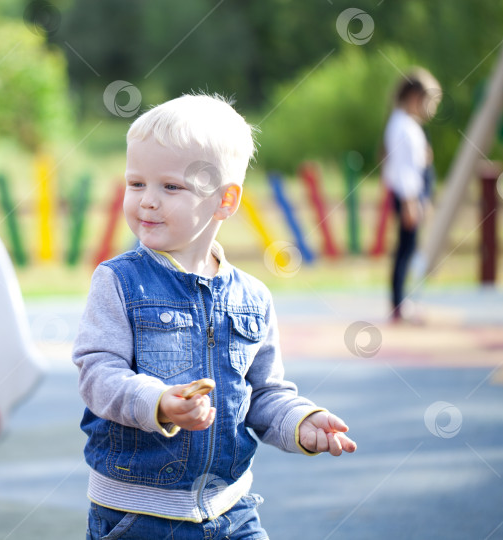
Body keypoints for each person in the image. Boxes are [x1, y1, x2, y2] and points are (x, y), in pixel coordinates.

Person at [73, 94, 356, 540]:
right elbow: (97, 375)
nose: (147, 201)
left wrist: (301, 421)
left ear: (225, 201)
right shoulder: (119, 282)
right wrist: (159, 402)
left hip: (232, 511)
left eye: (170, 187)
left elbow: (262, 394)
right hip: (137, 516)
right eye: (136, 184)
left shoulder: (253, 298)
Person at [382, 68, 441, 323]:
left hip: (412, 196)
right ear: (415, 97)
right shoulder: (402, 126)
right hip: (407, 196)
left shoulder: (407, 125)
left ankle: (403, 301)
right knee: (406, 249)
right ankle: (399, 302)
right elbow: (403, 168)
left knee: (409, 248)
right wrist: (410, 202)